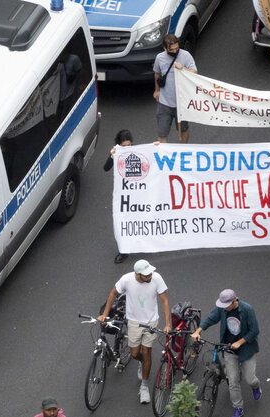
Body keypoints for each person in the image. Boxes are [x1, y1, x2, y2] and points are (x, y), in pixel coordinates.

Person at [98, 259, 171, 404]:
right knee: (135, 354)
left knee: (147, 351)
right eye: (146, 275)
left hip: (151, 321)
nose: (150, 276)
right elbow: (113, 294)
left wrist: (168, 324)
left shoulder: (156, 278)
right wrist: (105, 314)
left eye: (150, 273)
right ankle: (142, 363)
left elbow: (165, 301)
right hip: (134, 322)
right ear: (138, 274)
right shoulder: (126, 279)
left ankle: (144, 386)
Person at [191, 289, 261, 417]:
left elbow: (254, 330)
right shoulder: (222, 309)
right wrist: (198, 331)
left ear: (235, 301)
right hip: (229, 348)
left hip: (246, 349)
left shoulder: (247, 309)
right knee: (233, 381)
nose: (224, 308)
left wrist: (240, 342)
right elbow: (211, 318)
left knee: (250, 379)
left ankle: (256, 386)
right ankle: (238, 408)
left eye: (226, 306)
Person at [153, 34, 197, 144]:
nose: (175, 51)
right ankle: (164, 156)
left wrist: (183, 69)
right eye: (171, 50)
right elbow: (157, 74)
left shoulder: (186, 56)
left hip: (181, 102)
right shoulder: (160, 58)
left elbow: (195, 73)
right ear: (165, 48)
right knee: (162, 134)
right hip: (164, 103)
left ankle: (183, 150)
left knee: (183, 129)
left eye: (177, 48)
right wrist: (157, 90)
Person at [104, 130, 134, 264]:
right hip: (123, 195)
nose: (127, 149)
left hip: (137, 193)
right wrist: (112, 157)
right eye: (124, 146)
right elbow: (106, 168)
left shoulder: (139, 152)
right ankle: (124, 251)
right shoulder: (116, 153)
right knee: (122, 222)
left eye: (129, 145)